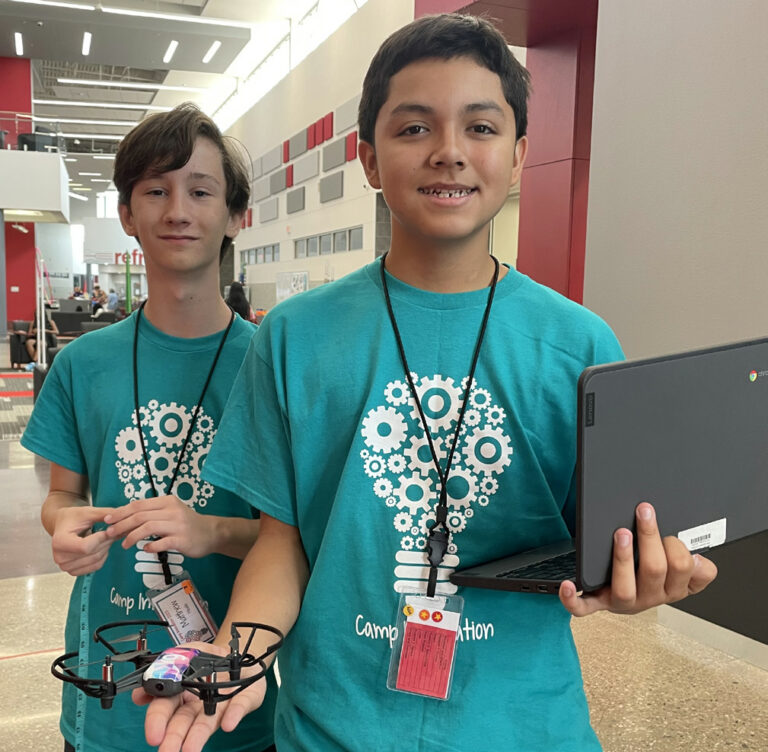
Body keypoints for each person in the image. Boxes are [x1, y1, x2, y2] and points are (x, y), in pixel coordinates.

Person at [140, 15, 718, 752]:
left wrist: (643, 582)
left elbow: (607, 553)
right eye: (414, 129)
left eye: (480, 127)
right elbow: (282, 544)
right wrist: (238, 656)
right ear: (369, 159)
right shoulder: (295, 336)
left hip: (523, 727)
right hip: (332, 726)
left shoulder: (579, 345)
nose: (449, 152)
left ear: (518, 159)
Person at [21, 103, 276, 752]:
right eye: (155, 191)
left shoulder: (274, 366)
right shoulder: (83, 365)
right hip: (108, 687)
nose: (178, 210)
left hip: (234, 693)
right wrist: (63, 526)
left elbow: (298, 542)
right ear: (128, 216)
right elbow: (62, 496)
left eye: (200, 190)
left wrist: (210, 530)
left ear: (235, 216)